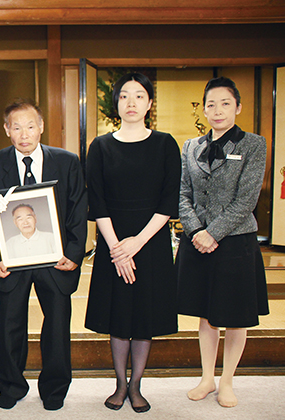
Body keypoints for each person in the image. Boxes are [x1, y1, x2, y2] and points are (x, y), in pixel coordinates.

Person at [0, 98, 87, 411]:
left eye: (30, 126)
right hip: (11, 260)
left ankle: (54, 389)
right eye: (16, 127)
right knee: (10, 325)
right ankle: (11, 385)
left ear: (41, 127)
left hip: (56, 259)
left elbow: (78, 209)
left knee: (57, 326)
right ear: (6, 130)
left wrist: (74, 253)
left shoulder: (66, 161)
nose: (24, 134)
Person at [84, 72, 181, 413]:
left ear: (149, 103)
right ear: (117, 103)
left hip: (150, 242)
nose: (131, 102)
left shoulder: (165, 144)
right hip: (113, 241)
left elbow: (168, 201)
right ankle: (120, 383)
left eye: (139, 96)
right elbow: (97, 202)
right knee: (118, 315)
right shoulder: (100, 146)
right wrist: (117, 250)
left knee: (143, 317)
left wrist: (136, 243)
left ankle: (137, 384)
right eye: (124, 96)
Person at [176, 77, 268, 408]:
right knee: (205, 314)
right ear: (204, 109)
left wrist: (212, 233)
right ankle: (206, 378)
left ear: (238, 107)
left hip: (235, 242)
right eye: (211, 104)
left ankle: (227, 380)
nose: (218, 110)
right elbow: (182, 193)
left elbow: (247, 200)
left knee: (236, 315)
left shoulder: (253, 144)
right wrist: (195, 230)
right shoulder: (191, 146)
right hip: (196, 240)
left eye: (225, 103)